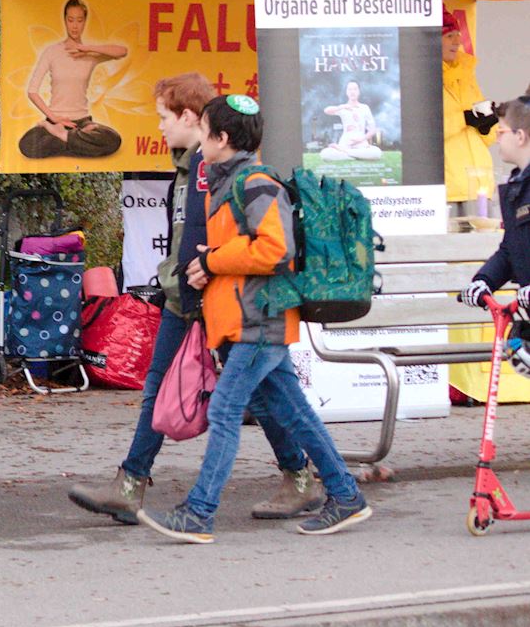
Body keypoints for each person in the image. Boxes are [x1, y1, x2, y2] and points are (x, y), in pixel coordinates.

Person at [68, 75, 321, 525]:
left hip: (206, 298)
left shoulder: (209, 169)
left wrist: (192, 288)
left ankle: (295, 481)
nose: (161, 126)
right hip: (189, 294)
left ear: (191, 119)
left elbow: (207, 239)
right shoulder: (193, 166)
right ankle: (133, 483)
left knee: (255, 397)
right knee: (179, 387)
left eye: (165, 117)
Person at [138, 95, 372, 543]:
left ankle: (200, 512)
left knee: (225, 410)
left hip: (258, 323)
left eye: (205, 131)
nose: (200, 140)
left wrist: (215, 261)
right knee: (296, 414)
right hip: (249, 322)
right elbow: (244, 252)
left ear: (222, 139)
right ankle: (346, 496)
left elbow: (276, 249)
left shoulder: (255, 184)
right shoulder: (233, 183)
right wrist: (211, 263)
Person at [18, 0, 126, 159]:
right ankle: (77, 143)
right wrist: (54, 119)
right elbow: (32, 91)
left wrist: (86, 48)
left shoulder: (90, 55)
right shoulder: (52, 51)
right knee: (26, 145)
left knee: (113, 140)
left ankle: (64, 138)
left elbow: (122, 52)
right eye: (70, 20)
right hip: (54, 121)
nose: (75, 25)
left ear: (84, 22)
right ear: (65, 21)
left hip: (82, 123)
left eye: (79, 20)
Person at [461, 97, 530, 337]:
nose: (497, 137)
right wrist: (484, 280)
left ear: (520, 136)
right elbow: (511, 249)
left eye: (501, 131)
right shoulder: (516, 188)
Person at [443, 8, 497, 208]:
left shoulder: (466, 75)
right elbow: (424, 133)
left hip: (481, 184)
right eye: (449, 36)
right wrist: (463, 119)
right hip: (450, 190)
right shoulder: (424, 77)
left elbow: (489, 139)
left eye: (458, 35)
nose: (457, 42)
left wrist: (487, 124)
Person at [318, 81, 382, 161]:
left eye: (355, 89)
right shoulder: (343, 108)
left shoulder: (364, 108)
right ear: (346, 92)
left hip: (361, 144)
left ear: (359, 91)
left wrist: (361, 139)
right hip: (345, 143)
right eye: (350, 89)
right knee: (325, 154)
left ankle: (345, 153)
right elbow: (326, 110)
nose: (352, 92)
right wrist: (342, 107)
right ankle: (357, 156)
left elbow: (372, 130)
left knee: (377, 153)